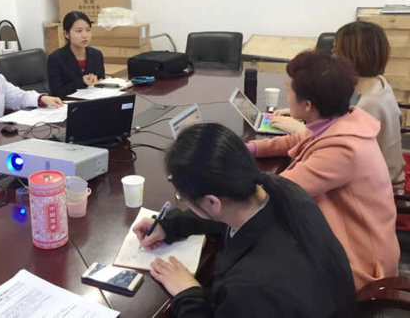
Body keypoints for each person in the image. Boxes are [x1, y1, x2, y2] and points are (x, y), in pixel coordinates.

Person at [133, 123, 356, 317]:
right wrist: (170, 225)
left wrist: (188, 293)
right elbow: (225, 213)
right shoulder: (281, 191)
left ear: (212, 202)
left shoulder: (249, 288)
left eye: (183, 198)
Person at [248, 50, 399, 290]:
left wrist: (228, 171)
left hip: (359, 265)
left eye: (288, 90)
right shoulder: (342, 120)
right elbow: (298, 139)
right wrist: (252, 148)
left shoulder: (343, 150)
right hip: (349, 237)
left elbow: (276, 193)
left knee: (253, 271)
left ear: (308, 105)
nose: (287, 95)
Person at [271, 22, 405, 187]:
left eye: (335, 51)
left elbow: (336, 142)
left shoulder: (368, 105)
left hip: (379, 184)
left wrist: (298, 128)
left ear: (351, 56)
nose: (332, 57)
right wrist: (306, 110)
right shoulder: (377, 84)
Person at [47, 11, 105, 96]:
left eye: (88, 30)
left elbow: (101, 81)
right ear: (66, 34)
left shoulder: (97, 55)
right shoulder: (56, 58)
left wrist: (97, 82)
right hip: (69, 103)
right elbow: (56, 92)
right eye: (79, 31)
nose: (85, 35)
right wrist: (82, 81)